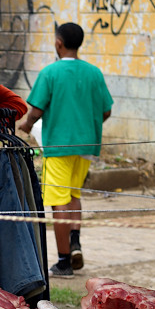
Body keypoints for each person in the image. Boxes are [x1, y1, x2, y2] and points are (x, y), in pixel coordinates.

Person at [17, 22, 112, 278]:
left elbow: (36, 110)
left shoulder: (50, 73)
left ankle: (64, 261)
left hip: (58, 145)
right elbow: (106, 110)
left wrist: (25, 125)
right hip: (86, 145)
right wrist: (87, 127)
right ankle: (75, 241)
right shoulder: (94, 72)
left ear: (58, 43)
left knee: (58, 201)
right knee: (73, 194)